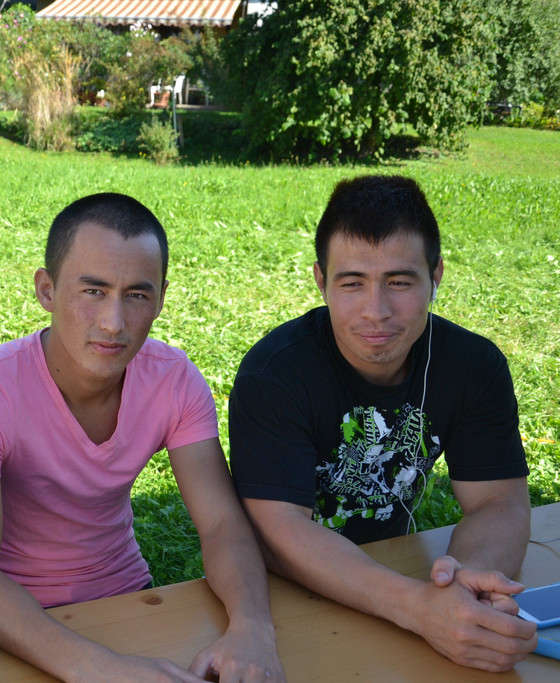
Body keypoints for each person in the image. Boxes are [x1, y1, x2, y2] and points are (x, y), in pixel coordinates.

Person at [0, 193, 285, 683]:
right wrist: (100, 669)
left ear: (161, 298)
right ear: (46, 290)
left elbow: (222, 524)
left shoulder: (173, 380)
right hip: (15, 620)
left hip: (128, 594)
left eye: (137, 295)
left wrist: (253, 628)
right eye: (93, 291)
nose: (113, 323)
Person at [228, 174, 537, 673]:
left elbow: (498, 501)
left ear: (436, 276)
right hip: (281, 599)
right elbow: (279, 530)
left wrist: (467, 587)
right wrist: (417, 608)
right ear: (320, 280)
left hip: (401, 569)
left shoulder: (473, 367)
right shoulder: (276, 374)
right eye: (352, 283)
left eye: (399, 282)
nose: (376, 312)